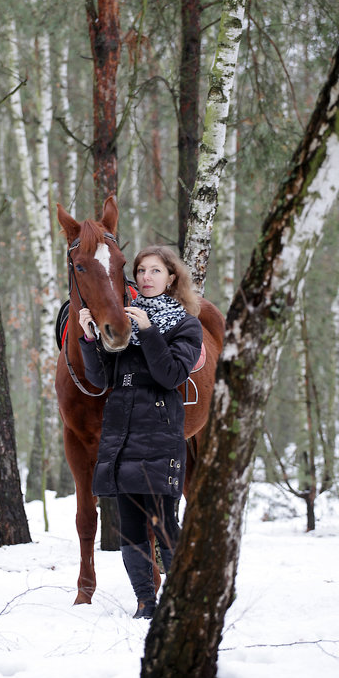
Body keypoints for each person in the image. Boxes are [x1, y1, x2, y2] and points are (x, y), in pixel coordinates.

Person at [78, 245, 203, 619]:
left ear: (171, 278)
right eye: (142, 271)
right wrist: (89, 341)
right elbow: (101, 378)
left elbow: (170, 376)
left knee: (163, 521)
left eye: (155, 271)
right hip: (122, 433)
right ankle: (146, 603)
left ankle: (180, 602)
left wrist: (147, 332)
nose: (146, 278)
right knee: (130, 529)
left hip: (161, 431)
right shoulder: (122, 322)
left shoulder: (185, 324)